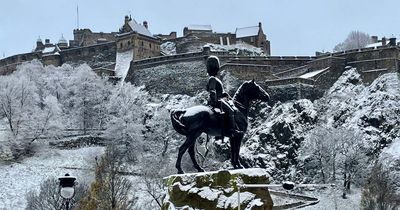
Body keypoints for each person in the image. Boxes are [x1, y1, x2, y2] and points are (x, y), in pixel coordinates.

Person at [205, 55, 242, 138]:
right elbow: (212, 91)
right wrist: (215, 101)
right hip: (217, 101)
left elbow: (218, 91)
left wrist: (224, 94)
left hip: (218, 99)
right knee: (231, 111)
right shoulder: (212, 79)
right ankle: (232, 130)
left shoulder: (214, 78)